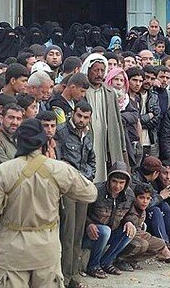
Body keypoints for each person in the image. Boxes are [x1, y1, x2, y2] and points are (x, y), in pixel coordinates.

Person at [0, 119, 98, 288]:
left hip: (13, 252)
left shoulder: (3, 171)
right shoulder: (59, 169)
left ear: (18, 141)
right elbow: (91, 193)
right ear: (43, 141)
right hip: (46, 250)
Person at [56, 101, 96, 287]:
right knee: (67, 234)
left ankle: (73, 275)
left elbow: (91, 160)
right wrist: (74, 177)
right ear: (73, 113)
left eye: (86, 117)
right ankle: (64, 277)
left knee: (78, 234)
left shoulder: (88, 133)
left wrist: (86, 177)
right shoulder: (62, 132)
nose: (82, 120)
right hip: (67, 188)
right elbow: (60, 161)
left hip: (82, 187)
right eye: (79, 116)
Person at [83, 161, 137, 279]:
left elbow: (132, 213)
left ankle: (106, 262)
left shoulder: (129, 195)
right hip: (92, 234)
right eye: (114, 181)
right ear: (109, 180)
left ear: (126, 183)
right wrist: (89, 224)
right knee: (105, 231)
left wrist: (129, 221)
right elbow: (81, 213)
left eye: (121, 183)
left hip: (112, 233)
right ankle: (93, 266)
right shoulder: (96, 190)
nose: (117, 186)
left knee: (130, 231)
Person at [81, 54, 127, 183]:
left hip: (105, 140)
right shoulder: (83, 91)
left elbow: (117, 122)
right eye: (96, 70)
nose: (99, 74)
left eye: (102, 70)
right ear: (88, 70)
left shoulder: (110, 92)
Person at [116, 183, 170, 269]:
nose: (145, 201)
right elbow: (128, 219)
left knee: (159, 244)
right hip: (125, 236)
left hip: (138, 234)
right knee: (142, 244)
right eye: (141, 198)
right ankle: (119, 260)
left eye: (148, 199)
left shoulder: (143, 210)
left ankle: (131, 260)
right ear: (135, 198)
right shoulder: (129, 208)